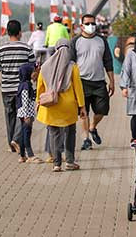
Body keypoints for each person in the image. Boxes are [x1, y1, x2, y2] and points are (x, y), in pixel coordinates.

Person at [37, 38, 86, 172]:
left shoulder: (46, 65)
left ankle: (57, 164)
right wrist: (82, 106)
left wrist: (38, 101)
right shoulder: (72, 66)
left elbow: (40, 86)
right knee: (70, 132)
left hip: (52, 104)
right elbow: (78, 88)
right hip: (69, 107)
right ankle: (70, 161)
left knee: (54, 134)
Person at [0, 20, 35, 153]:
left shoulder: (1, 50)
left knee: (9, 116)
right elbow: (33, 68)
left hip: (6, 90)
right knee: (24, 114)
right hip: (22, 89)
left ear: (7, 33)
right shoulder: (27, 49)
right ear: (20, 32)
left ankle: (12, 144)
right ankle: (16, 139)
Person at [70, 14, 114, 151]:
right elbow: (71, 63)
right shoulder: (75, 41)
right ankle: (86, 139)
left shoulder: (102, 40)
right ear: (81, 25)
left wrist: (112, 81)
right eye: (88, 23)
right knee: (83, 112)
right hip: (81, 82)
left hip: (99, 81)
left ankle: (92, 127)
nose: (91, 26)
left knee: (102, 110)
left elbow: (108, 61)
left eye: (93, 23)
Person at [16, 63, 43, 163]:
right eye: (33, 72)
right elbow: (25, 100)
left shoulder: (23, 84)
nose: (35, 73)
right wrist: (27, 115)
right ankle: (30, 155)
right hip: (26, 114)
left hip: (23, 113)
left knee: (24, 134)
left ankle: (22, 155)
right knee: (27, 134)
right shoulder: (26, 85)